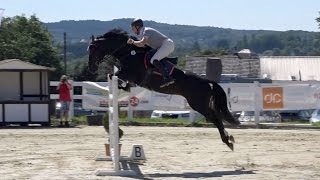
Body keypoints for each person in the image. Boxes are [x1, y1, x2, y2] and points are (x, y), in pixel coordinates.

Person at [127, 18, 175, 88]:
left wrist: (133, 42)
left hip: (167, 44)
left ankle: (167, 78)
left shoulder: (146, 31)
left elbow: (142, 44)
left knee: (153, 60)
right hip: (164, 46)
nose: (132, 29)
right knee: (150, 56)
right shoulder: (142, 33)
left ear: (137, 27)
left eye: (133, 27)